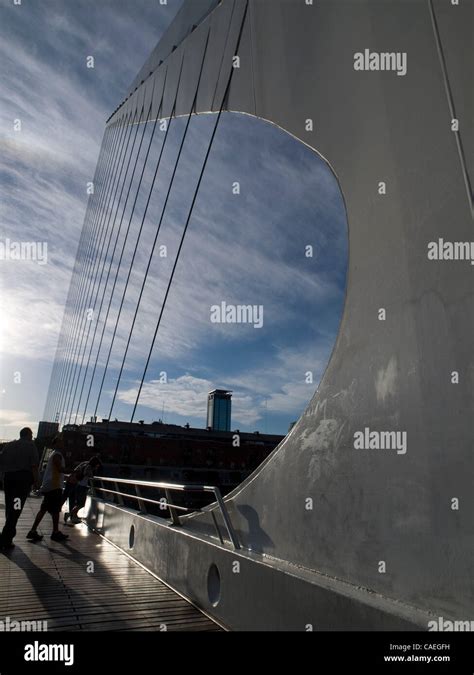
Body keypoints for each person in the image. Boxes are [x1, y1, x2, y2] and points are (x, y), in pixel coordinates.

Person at [0, 428, 40, 550]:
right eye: (31, 435)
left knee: (9, 506)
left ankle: (8, 535)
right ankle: (5, 539)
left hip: (8, 478)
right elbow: (34, 465)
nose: (32, 437)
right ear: (28, 435)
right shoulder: (30, 446)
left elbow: (1, 462)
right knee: (16, 508)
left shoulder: (9, 445)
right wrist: (36, 481)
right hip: (22, 480)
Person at [27, 438, 69, 543]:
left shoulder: (53, 454)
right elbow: (60, 469)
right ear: (56, 443)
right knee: (55, 510)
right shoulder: (57, 455)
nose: (63, 443)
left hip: (50, 486)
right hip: (54, 486)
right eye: (61, 442)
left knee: (44, 509)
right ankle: (55, 533)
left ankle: (33, 530)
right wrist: (74, 471)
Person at [64, 457, 102, 524]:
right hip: (82, 487)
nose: (97, 466)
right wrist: (93, 472)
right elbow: (89, 475)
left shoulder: (85, 465)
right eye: (97, 464)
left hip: (79, 485)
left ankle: (74, 517)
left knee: (78, 503)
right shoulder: (89, 467)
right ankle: (69, 514)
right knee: (81, 504)